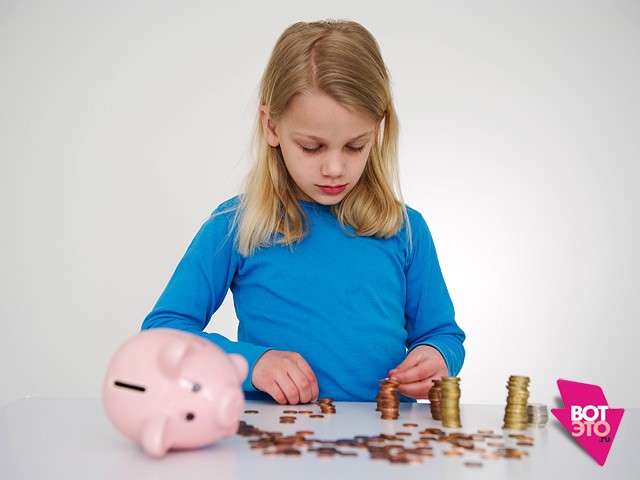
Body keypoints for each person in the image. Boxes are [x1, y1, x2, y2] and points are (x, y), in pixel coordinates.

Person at [142, 19, 465, 405]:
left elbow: (443, 335)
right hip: (275, 448)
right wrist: (252, 364)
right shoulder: (234, 226)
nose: (334, 168)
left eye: (354, 146)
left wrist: (436, 358)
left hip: (384, 450)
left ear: (377, 130)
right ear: (272, 127)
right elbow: (162, 335)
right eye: (312, 147)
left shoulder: (405, 230)